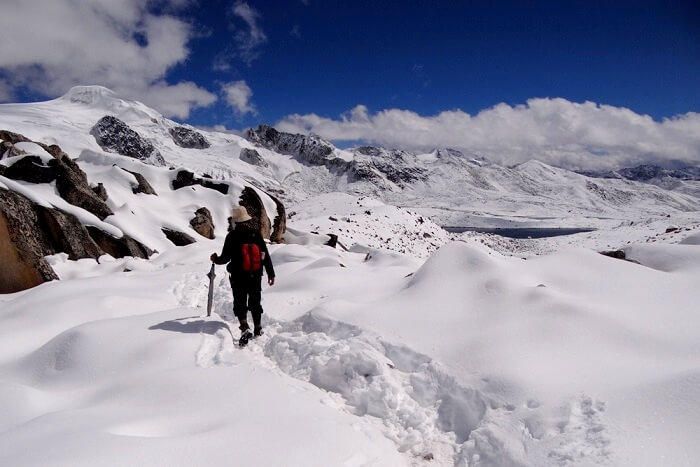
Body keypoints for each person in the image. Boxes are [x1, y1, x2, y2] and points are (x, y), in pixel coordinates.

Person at [211, 206, 275, 346]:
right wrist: (271, 273)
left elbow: (225, 258)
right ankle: (258, 328)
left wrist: (215, 259)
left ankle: (244, 326)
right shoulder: (256, 234)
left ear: (235, 221)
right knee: (255, 301)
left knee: (240, 302)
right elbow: (265, 255)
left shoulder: (232, 236)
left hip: (238, 276)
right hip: (255, 275)